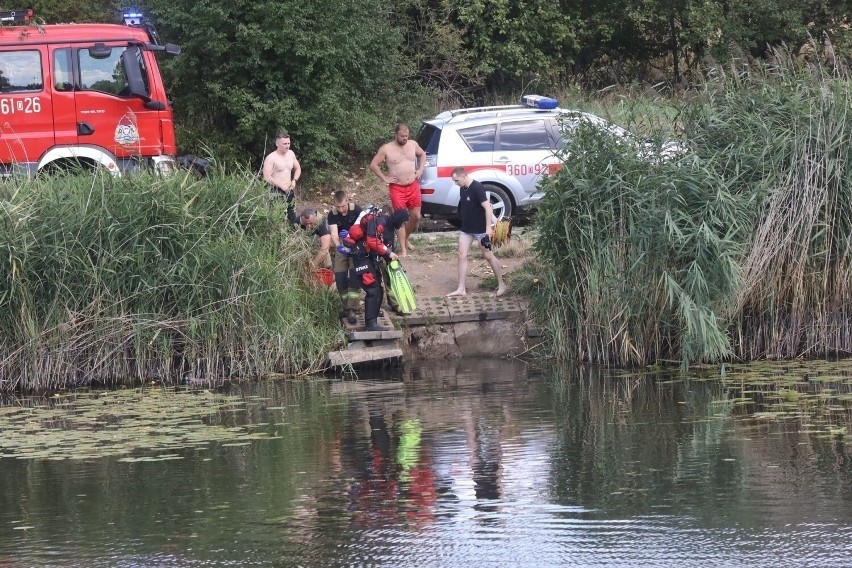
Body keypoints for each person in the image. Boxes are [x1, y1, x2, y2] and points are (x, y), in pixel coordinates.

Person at [446, 167, 506, 297]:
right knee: (461, 255)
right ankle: (461, 288)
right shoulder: (463, 188)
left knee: (488, 256)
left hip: (480, 230)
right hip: (466, 228)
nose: (455, 184)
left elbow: (487, 208)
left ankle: (501, 284)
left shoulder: (477, 187)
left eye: (456, 180)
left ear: (463, 176)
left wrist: (488, 229)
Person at [340, 208, 401, 331]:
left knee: (378, 289)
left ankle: (373, 319)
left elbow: (376, 243)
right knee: (373, 290)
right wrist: (388, 253)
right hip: (361, 259)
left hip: (366, 258)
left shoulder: (378, 221)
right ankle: (370, 324)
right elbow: (372, 241)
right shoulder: (379, 221)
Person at [369, 123, 425, 257]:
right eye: (402, 136)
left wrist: (421, 169)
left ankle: (405, 239)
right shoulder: (386, 148)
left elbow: (422, 155)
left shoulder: (412, 144)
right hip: (397, 188)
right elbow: (373, 165)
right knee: (400, 219)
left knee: (416, 216)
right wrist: (385, 179)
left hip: (413, 185)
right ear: (396, 135)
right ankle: (403, 249)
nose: (404, 138)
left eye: (406, 136)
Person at [327, 191, 363, 324]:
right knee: (340, 276)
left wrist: (351, 235)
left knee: (355, 277)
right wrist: (338, 246)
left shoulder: (357, 210)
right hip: (342, 245)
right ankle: (346, 307)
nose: (341, 209)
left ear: (347, 201)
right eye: (338, 207)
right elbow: (333, 232)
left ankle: (353, 308)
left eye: (343, 206)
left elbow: (363, 229)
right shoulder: (332, 214)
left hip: (356, 244)